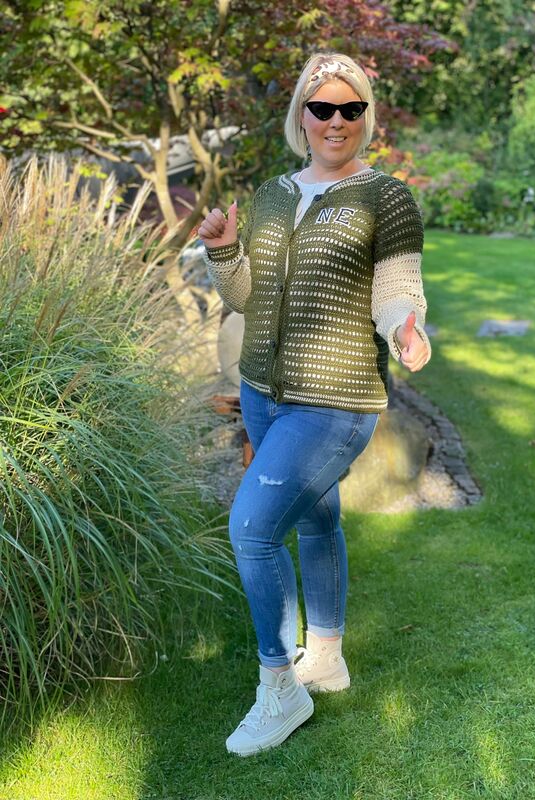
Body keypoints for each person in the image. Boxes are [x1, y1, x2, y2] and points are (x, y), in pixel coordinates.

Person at [196, 52, 431, 757]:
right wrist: (224, 251)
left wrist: (406, 327)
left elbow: (397, 289)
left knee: (252, 528)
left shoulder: (386, 198)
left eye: (350, 109)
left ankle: (280, 687)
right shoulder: (271, 194)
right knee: (318, 519)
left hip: (334, 402)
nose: (336, 121)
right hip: (263, 394)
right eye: (322, 107)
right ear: (302, 114)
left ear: (366, 117)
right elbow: (247, 297)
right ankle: (324, 657)